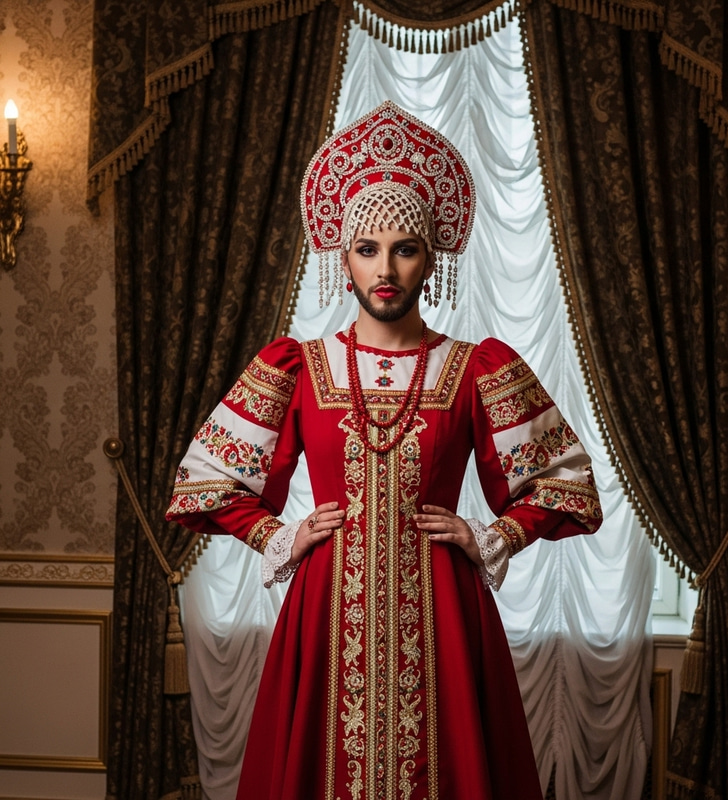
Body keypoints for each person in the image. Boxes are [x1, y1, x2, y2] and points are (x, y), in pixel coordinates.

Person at [166, 100, 602, 800]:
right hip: (325, 605)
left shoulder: (477, 368)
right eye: (368, 249)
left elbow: (567, 485)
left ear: (433, 259)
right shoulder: (297, 367)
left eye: (406, 247)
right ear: (344, 260)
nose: (387, 267)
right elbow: (207, 482)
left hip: (444, 608)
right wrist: (279, 534)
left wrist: (491, 534)